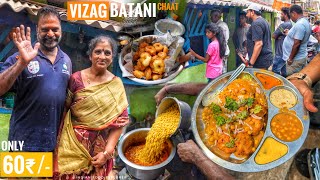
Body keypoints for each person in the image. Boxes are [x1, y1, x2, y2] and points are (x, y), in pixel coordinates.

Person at [54, 35, 129, 179]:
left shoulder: (116, 84)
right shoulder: (75, 79)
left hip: (99, 152)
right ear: (90, 56)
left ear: (112, 57)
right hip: (72, 147)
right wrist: (58, 145)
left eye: (107, 53)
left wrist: (107, 153)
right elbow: (64, 113)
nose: (102, 56)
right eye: (98, 52)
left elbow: (120, 123)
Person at [0, 6, 72, 151]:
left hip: (51, 143)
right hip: (21, 141)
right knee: (17, 175)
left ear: (61, 30)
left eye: (55, 29)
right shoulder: (21, 56)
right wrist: (22, 63)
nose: (50, 34)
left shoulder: (66, 60)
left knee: (44, 175)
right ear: (37, 29)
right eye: (45, 29)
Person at [282, 4, 311, 76]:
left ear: (294, 13)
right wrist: (289, 33)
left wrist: (290, 59)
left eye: (290, 15)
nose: (291, 18)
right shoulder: (304, 22)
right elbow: (298, 36)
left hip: (295, 60)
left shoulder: (300, 24)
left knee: (291, 80)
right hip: (299, 57)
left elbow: (297, 44)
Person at [244, 4, 273, 69]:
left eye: (248, 12)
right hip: (266, 59)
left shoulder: (256, 23)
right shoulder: (264, 21)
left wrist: (251, 63)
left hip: (261, 61)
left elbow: (259, 44)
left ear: (253, 12)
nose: (246, 15)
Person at [272, 7, 292, 76]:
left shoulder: (283, 25)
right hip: (285, 53)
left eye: (282, 14)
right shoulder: (291, 24)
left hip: (280, 52)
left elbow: (273, 36)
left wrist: (279, 36)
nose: (280, 16)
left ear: (285, 15)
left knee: (275, 72)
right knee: (284, 73)